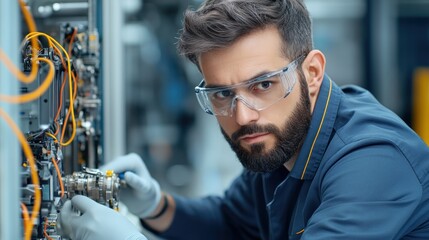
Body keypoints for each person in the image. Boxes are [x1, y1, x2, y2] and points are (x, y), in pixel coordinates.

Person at [59, 0, 429, 239]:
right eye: (222, 93)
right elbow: (229, 221)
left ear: (312, 72)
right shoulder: (278, 143)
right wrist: (154, 206)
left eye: (264, 84)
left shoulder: (374, 163)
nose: (243, 115)